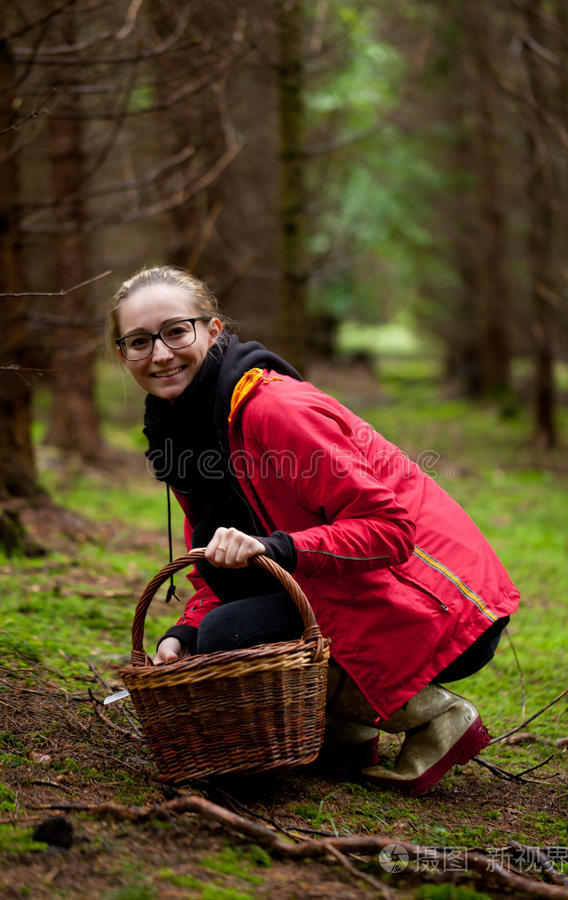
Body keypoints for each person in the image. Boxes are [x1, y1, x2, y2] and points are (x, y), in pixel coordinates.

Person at [109, 265, 520, 795]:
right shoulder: (182, 437)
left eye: (175, 331)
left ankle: (434, 715)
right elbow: (220, 571)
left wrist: (277, 547)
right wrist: (182, 632)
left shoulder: (273, 408)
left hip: (446, 607)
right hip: (359, 595)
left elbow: (391, 530)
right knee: (212, 632)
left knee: (231, 636)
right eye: (140, 341)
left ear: (212, 330)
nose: (160, 354)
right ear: (123, 355)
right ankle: (345, 728)